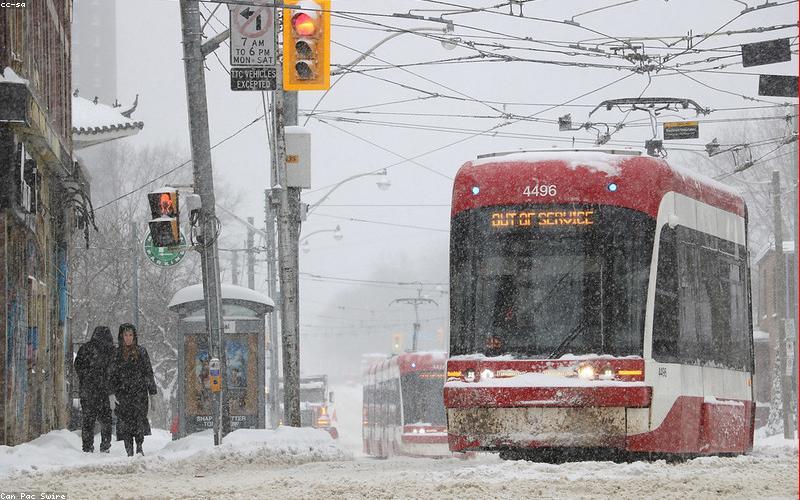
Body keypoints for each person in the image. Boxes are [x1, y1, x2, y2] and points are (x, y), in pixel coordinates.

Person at [110, 323, 157, 456]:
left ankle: (139, 447)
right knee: (125, 424)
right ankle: (129, 450)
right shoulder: (117, 354)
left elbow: (148, 372)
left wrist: (152, 393)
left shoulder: (141, 352)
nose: (128, 338)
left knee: (138, 421)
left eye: (131, 335)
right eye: (126, 335)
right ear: (121, 336)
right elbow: (112, 375)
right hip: (123, 395)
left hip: (139, 394)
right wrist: (111, 394)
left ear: (134, 336)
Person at [73, 326, 115, 453]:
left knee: (88, 420)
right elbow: (114, 371)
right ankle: (105, 444)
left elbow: (78, 365)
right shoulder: (111, 351)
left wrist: (86, 378)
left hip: (88, 391)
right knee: (106, 420)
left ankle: (87, 446)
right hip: (104, 392)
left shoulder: (85, 349)